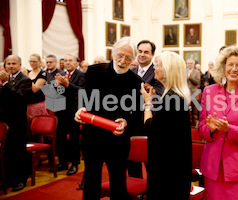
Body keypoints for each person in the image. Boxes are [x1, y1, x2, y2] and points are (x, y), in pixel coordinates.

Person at [74, 37, 144, 200]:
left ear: (133, 60)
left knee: (118, 183)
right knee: (91, 181)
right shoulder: (94, 71)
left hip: (118, 140)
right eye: (120, 55)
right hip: (92, 137)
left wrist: (127, 122)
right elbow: (82, 95)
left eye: (128, 58)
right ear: (113, 54)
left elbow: (138, 115)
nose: (122, 61)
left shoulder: (136, 82)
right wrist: (80, 109)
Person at [198, 45, 238, 200]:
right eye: (230, 65)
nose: (234, 69)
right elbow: (201, 129)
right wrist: (211, 129)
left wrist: (229, 129)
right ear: (223, 67)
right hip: (214, 170)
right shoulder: (209, 91)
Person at [141, 51, 192, 200]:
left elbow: (149, 126)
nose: (154, 68)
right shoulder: (174, 96)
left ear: (167, 71)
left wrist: (147, 103)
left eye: (157, 65)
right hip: (172, 164)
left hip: (166, 168)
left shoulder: (171, 99)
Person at [0, 55, 32, 191]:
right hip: (4, 120)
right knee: (7, 152)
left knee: (18, 151)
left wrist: (6, 84)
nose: (11, 66)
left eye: (13, 63)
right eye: (8, 64)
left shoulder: (25, 80)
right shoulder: (4, 80)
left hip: (17, 121)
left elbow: (18, 98)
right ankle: (7, 178)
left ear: (19, 65)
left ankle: (20, 179)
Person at [52, 54, 85, 176]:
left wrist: (67, 84)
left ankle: (75, 164)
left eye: (70, 60)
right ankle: (62, 162)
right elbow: (55, 93)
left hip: (74, 110)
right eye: (65, 60)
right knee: (60, 138)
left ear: (77, 63)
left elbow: (82, 91)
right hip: (60, 109)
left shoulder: (81, 75)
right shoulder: (61, 74)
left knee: (73, 138)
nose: (67, 62)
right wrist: (56, 85)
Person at [187, 58, 200, 126]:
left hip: (194, 93)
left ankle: (195, 125)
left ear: (193, 64)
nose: (189, 65)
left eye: (191, 63)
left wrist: (190, 77)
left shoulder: (196, 72)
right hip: (186, 93)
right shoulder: (184, 71)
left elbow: (197, 82)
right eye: (188, 63)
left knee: (194, 111)